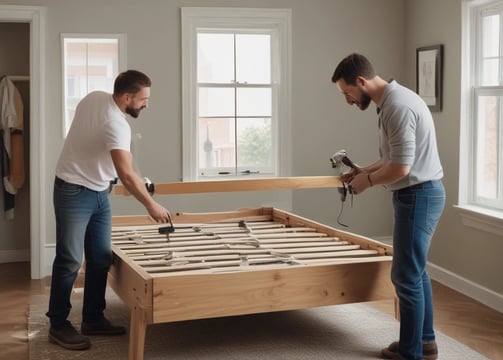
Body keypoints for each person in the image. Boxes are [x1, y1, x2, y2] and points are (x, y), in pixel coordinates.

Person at [46, 70, 172, 350]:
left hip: (100, 191)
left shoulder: (95, 98)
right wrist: (151, 205)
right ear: (127, 97)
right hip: (73, 190)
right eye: (143, 99)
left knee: (101, 257)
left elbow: (125, 162)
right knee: (69, 259)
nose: (146, 104)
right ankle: (58, 324)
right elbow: (125, 173)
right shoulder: (116, 124)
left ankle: (92, 317)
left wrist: (142, 181)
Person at [331, 53, 445, 360]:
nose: (348, 101)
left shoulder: (397, 106)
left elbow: (401, 168)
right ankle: (425, 342)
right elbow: (393, 158)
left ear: (361, 82)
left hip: (418, 195)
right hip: (421, 194)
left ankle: (411, 353)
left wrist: (367, 183)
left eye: (348, 94)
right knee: (416, 273)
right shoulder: (394, 100)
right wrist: (363, 171)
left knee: (405, 276)